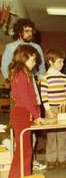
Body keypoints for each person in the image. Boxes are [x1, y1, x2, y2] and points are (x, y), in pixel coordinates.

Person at [0, 18, 46, 171]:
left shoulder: (36, 48)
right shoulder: (11, 47)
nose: (30, 34)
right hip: (20, 100)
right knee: (22, 143)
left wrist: (36, 80)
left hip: (30, 96)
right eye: (27, 31)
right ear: (19, 31)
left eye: (31, 31)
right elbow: (6, 70)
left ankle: (28, 166)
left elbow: (41, 72)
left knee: (27, 142)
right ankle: (20, 167)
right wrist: (16, 84)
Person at [7, 45, 44, 178]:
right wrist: (36, 115)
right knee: (23, 151)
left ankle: (25, 175)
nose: (35, 63)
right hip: (21, 113)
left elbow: (30, 97)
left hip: (24, 113)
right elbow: (25, 99)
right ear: (24, 58)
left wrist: (35, 113)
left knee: (26, 151)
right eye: (33, 60)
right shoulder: (21, 74)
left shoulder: (24, 73)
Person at [40, 48, 66, 169]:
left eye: (62, 61)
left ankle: (62, 158)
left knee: (63, 134)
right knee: (51, 134)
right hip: (50, 109)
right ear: (50, 62)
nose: (62, 64)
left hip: (63, 108)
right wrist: (48, 110)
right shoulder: (45, 77)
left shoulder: (64, 77)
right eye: (59, 61)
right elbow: (44, 95)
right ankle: (51, 159)